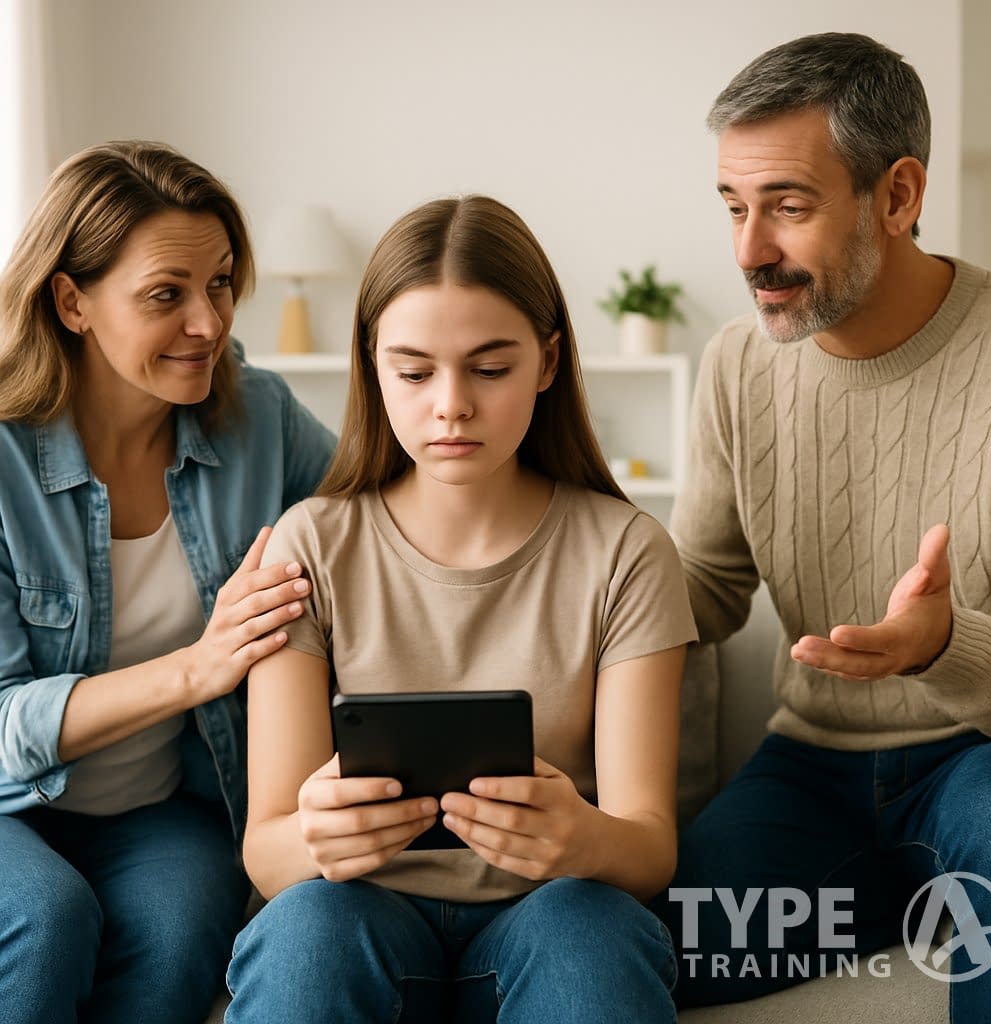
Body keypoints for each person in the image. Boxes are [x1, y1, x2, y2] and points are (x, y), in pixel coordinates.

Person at [225, 194, 695, 1023]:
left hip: (555, 910)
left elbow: (649, 847)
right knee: (306, 935)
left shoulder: (627, 550)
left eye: (490, 368)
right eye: (413, 371)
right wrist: (317, 836)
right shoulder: (310, 544)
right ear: (372, 365)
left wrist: (583, 838)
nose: (450, 404)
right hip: (355, 912)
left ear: (548, 362)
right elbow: (268, 852)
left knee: (591, 944)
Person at [653, 32, 991, 1022]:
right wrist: (554, 555)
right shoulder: (737, 364)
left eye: (787, 205)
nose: (748, 251)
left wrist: (943, 642)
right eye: (734, 207)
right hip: (808, 773)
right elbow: (705, 584)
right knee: (645, 946)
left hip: (986, 754)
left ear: (897, 196)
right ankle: (905, 900)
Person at [0, 140, 336, 1024]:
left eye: (220, 284)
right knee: (45, 915)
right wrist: (198, 666)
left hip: (158, 806)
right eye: (167, 296)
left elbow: (377, 519)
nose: (210, 323)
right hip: (6, 807)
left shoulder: (259, 417)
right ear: (72, 300)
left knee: (185, 926)